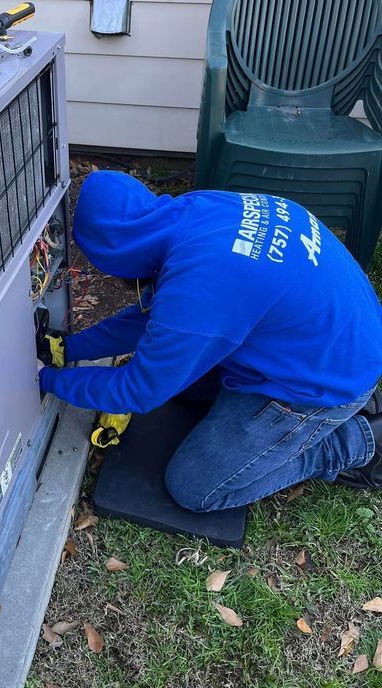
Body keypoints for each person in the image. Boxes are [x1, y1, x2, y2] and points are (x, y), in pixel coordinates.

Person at [39, 171, 382, 512]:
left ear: (115, 254)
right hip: (337, 339)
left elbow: (139, 390)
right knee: (182, 384)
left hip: (324, 382)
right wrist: (72, 348)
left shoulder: (198, 292)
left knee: (194, 487)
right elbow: (156, 321)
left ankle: (351, 443)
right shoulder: (194, 212)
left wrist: (45, 380)